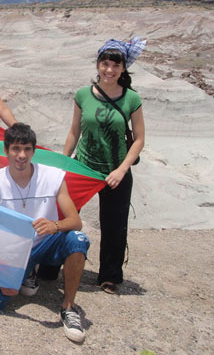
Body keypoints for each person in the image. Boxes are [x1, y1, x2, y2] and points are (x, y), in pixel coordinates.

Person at [0, 123, 90, 343]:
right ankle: (25, 273)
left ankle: (68, 308)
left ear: (34, 151)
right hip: (11, 250)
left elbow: (75, 221)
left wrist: (55, 226)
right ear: (6, 150)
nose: (22, 155)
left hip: (45, 242)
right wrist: (1, 271)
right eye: (16, 149)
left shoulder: (53, 177)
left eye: (27, 149)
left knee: (78, 239)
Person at [63, 37, 146, 294]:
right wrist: (64, 161)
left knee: (114, 226)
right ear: (98, 64)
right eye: (105, 63)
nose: (109, 70)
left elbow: (139, 139)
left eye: (115, 65)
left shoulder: (131, 99)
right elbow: (74, 132)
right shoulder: (82, 95)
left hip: (115, 172)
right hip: (84, 168)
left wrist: (121, 170)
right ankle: (48, 265)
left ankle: (109, 276)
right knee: (62, 215)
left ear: (123, 69)